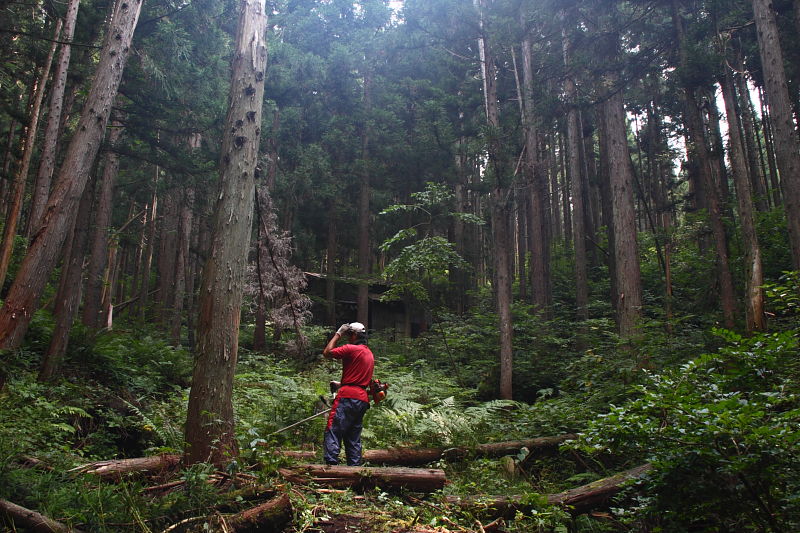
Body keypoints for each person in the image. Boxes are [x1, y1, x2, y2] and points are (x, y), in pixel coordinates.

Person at [322, 322, 374, 466]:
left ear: (355, 335)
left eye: (349, 335)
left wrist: (338, 334)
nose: (348, 338)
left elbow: (327, 353)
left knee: (333, 430)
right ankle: (355, 470)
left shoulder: (351, 349)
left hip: (347, 397)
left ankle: (331, 468)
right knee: (353, 436)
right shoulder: (368, 353)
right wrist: (340, 384)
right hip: (361, 398)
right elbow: (361, 379)